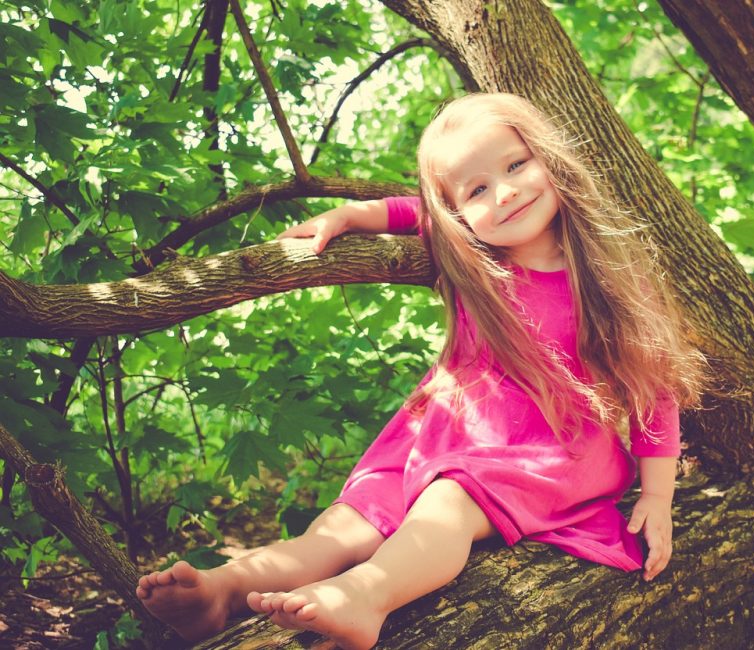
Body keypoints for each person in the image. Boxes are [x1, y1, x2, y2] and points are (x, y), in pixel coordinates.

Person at [135, 93, 706, 648]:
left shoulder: (607, 278)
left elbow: (651, 390)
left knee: (446, 505)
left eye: (516, 165)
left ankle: (367, 596)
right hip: (439, 433)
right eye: (478, 189)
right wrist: (353, 214)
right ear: (457, 215)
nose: (504, 193)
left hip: (549, 450)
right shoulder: (472, 259)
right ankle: (224, 590)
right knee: (345, 524)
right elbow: (414, 210)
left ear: (548, 158)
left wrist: (657, 496)